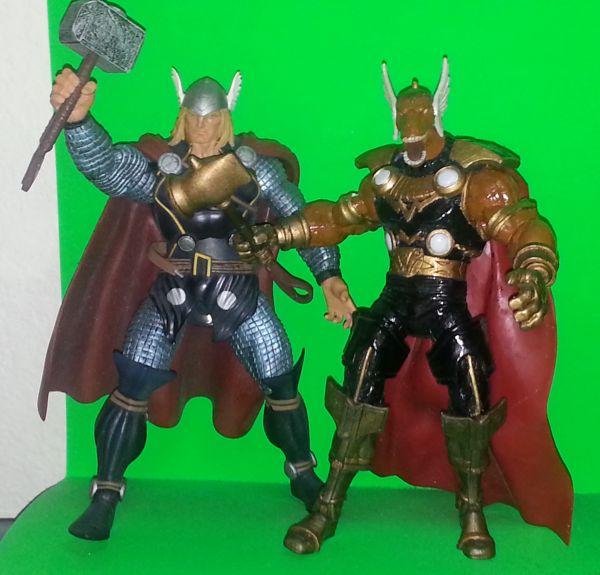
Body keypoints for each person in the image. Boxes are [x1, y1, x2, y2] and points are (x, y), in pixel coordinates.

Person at [235, 57, 572, 559]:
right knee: (361, 371)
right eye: (403, 117)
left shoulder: (475, 175)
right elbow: (340, 218)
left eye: (419, 116)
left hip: (446, 302)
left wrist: (534, 269)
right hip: (396, 298)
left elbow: (521, 223)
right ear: (395, 117)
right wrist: (279, 234)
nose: (411, 128)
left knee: (470, 379)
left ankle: (472, 506)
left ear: (436, 113)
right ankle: (329, 502)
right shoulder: (386, 177)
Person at [41, 67, 356, 541]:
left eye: (211, 118)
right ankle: (105, 492)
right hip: (174, 290)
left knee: (280, 377)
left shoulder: (255, 169)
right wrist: (79, 120)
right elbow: (106, 167)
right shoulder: (161, 169)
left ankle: (302, 472)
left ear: (226, 117)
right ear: (182, 116)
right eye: (194, 116)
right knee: (133, 384)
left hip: (237, 291)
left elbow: (302, 219)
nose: (203, 127)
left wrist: (328, 275)